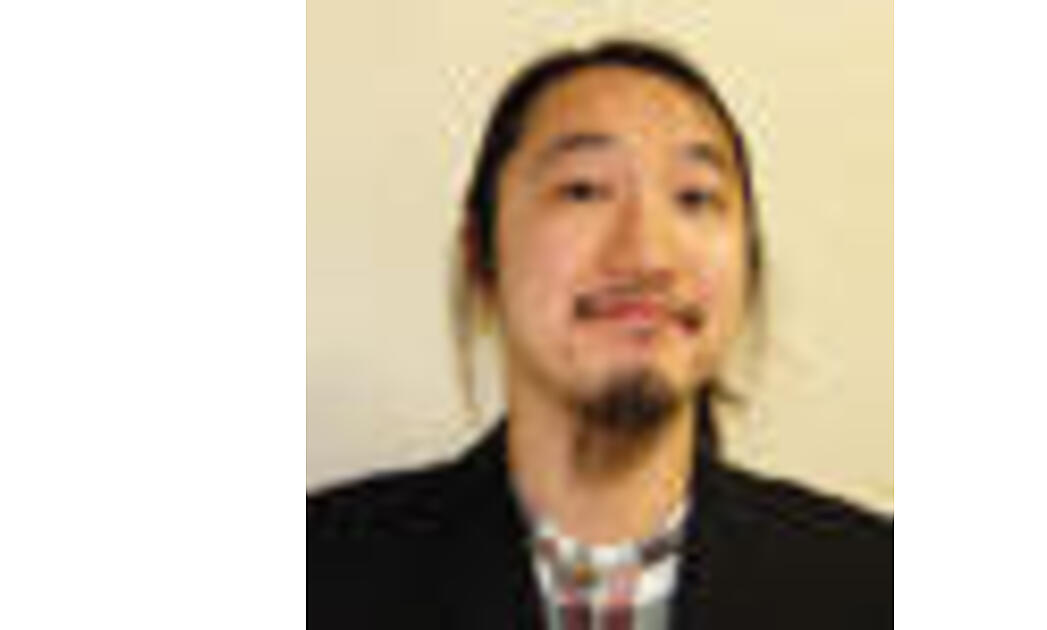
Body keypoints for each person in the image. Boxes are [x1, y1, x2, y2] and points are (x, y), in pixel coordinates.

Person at [308, 39, 892, 629]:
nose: (647, 254)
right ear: (480, 256)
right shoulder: (320, 575)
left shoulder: (875, 584)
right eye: (583, 190)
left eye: (695, 197)